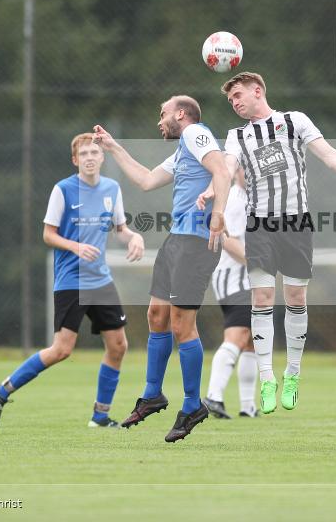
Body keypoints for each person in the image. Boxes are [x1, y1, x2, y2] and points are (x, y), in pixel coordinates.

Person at [210, 71, 336, 415]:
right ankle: (267, 378)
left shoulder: (294, 121)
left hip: (296, 223)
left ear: (257, 90)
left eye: (238, 95)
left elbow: (330, 155)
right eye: (230, 99)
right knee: (261, 298)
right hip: (259, 225)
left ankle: (292, 373)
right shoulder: (236, 136)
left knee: (296, 297)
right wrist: (214, 201)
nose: (234, 103)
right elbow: (226, 170)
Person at [91, 95, 231, 443]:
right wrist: (114, 148)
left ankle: (192, 405)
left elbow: (222, 170)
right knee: (157, 315)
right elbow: (147, 180)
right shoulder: (185, 148)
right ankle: (153, 394)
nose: (160, 120)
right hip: (177, 241)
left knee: (183, 325)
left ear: (180, 115)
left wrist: (217, 215)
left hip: (196, 243)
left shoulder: (195, 133)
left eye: (163, 113)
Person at [0, 133, 145, 429]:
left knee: (118, 345)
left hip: (101, 281)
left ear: (102, 157)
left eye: (94, 152)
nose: (89, 157)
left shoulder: (112, 188)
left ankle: (100, 416)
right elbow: (48, 234)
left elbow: (120, 229)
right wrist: (75, 246)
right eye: (83, 153)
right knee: (62, 349)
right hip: (72, 280)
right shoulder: (64, 190)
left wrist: (134, 236)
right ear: (75, 160)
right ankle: (1, 391)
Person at [203, 169, 259, 419]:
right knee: (239, 335)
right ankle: (213, 397)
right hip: (234, 278)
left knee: (253, 342)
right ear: (236, 171)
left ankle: (248, 406)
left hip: (248, 278)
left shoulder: (259, 199)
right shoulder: (235, 200)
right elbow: (228, 240)